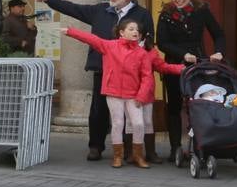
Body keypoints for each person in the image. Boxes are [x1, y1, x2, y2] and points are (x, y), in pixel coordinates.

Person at [32, 0, 153, 161]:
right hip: (103, 68)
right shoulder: (101, 10)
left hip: (130, 73)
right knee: (98, 109)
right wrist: (49, 0)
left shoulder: (142, 14)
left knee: (129, 112)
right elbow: (74, 9)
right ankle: (96, 146)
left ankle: (129, 151)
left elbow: (149, 41)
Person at [63, 18, 180, 168]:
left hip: (133, 95)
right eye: (131, 29)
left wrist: (141, 95)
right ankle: (117, 156)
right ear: (121, 33)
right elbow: (92, 39)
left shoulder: (142, 53)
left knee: (138, 124)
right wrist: (71, 32)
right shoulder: (110, 46)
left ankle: (138, 155)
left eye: (137, 30)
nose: (135, 32)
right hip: (113, 92)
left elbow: (147, 77)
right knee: (118, 124)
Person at [156, 0, 226, 160]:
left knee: (199, 104)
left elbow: (218, 34)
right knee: (174, 106)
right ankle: (175, 148)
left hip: (198, 64)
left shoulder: (201, 11)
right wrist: (183, 54)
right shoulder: (166, 14)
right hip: (174, 64)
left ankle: (200, 144)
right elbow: (163, 42)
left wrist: (218, 51)